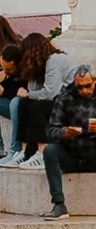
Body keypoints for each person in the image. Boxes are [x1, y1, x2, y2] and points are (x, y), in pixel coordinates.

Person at [43, 66, 96, 218]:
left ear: (94, 81)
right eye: (79, 87)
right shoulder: (64, 99)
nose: (84, 90)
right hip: (71, 155)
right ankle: (59, 204)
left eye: (88, 86)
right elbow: (50, 131)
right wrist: (65, 132)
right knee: (49, 150)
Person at [5, 32, 65, 163]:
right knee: (23, 103)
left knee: (36, 107)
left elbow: (51, 93)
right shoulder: (39, 64)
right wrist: (30, 72)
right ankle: (24, 151)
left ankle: (42, 153)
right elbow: (33, 91)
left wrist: (29, 94)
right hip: (54, 99)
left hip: (66, 100)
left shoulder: (54, 61)